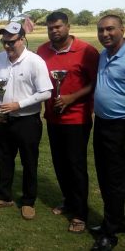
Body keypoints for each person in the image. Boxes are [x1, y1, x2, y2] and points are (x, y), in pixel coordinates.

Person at [37, 12, 99, 233]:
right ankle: (69, 201)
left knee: (76, 165)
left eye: (58, 27)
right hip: (53, 118)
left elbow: (96, 82)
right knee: (60, 163)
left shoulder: (86, 51)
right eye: (50, 28)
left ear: (68, 27)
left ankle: (81, 214)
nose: (54, 31)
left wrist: (72, 98)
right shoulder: (42, 51)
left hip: (77, 118)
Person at [0, 22, 53, 220]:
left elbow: (46, 92)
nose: (7, 46)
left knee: (29, 162)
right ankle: (3, 196)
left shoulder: (35, 61)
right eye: (4, 42)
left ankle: (28, 201)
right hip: (3, 119)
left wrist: (19, 105)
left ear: (22, 39)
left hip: (27, 121)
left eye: (11, 42)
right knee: (4, 160)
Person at [91, 14, 125, 251]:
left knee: (114, 180)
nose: (105, 34)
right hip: (102, 124)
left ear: (122, 29)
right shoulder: (104, 54)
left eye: (110, 29)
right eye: (101, 30)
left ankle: (110, 233)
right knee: (104, 176)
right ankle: (115, 220)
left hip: (120, 126)